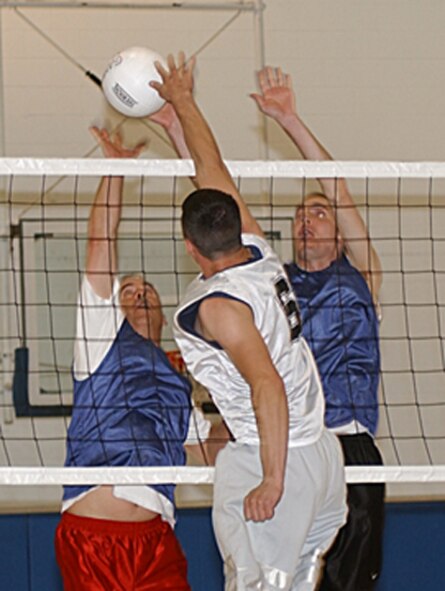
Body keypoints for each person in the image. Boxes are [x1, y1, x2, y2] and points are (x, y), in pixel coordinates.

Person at [151, 52, 347, 591]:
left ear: (190, 248)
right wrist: (182, 109)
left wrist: (271, 478)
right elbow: (212, 169)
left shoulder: (217, 307)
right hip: (322, 455)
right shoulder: (258, 250)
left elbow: (267, 385)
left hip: (275, 458)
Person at [251, 66, 385, 591]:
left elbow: (340, 187)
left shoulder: (361, 275)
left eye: (320, 213)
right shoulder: (276, 282)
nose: (308, 219)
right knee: (285, 576)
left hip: (351, 444)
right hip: (298, 445)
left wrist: (289, 118)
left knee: (350, 581)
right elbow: (230, 214)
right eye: (300, 214)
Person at [54, 128, 201, 591]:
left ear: (163, 309)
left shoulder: (180, 383)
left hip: (158, 538)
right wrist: (115, 168)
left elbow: (210, 451)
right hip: (94, 537)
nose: (139, 292)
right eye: (128, 289)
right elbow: (101, 244)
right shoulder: (100, 339)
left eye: (148, 288)